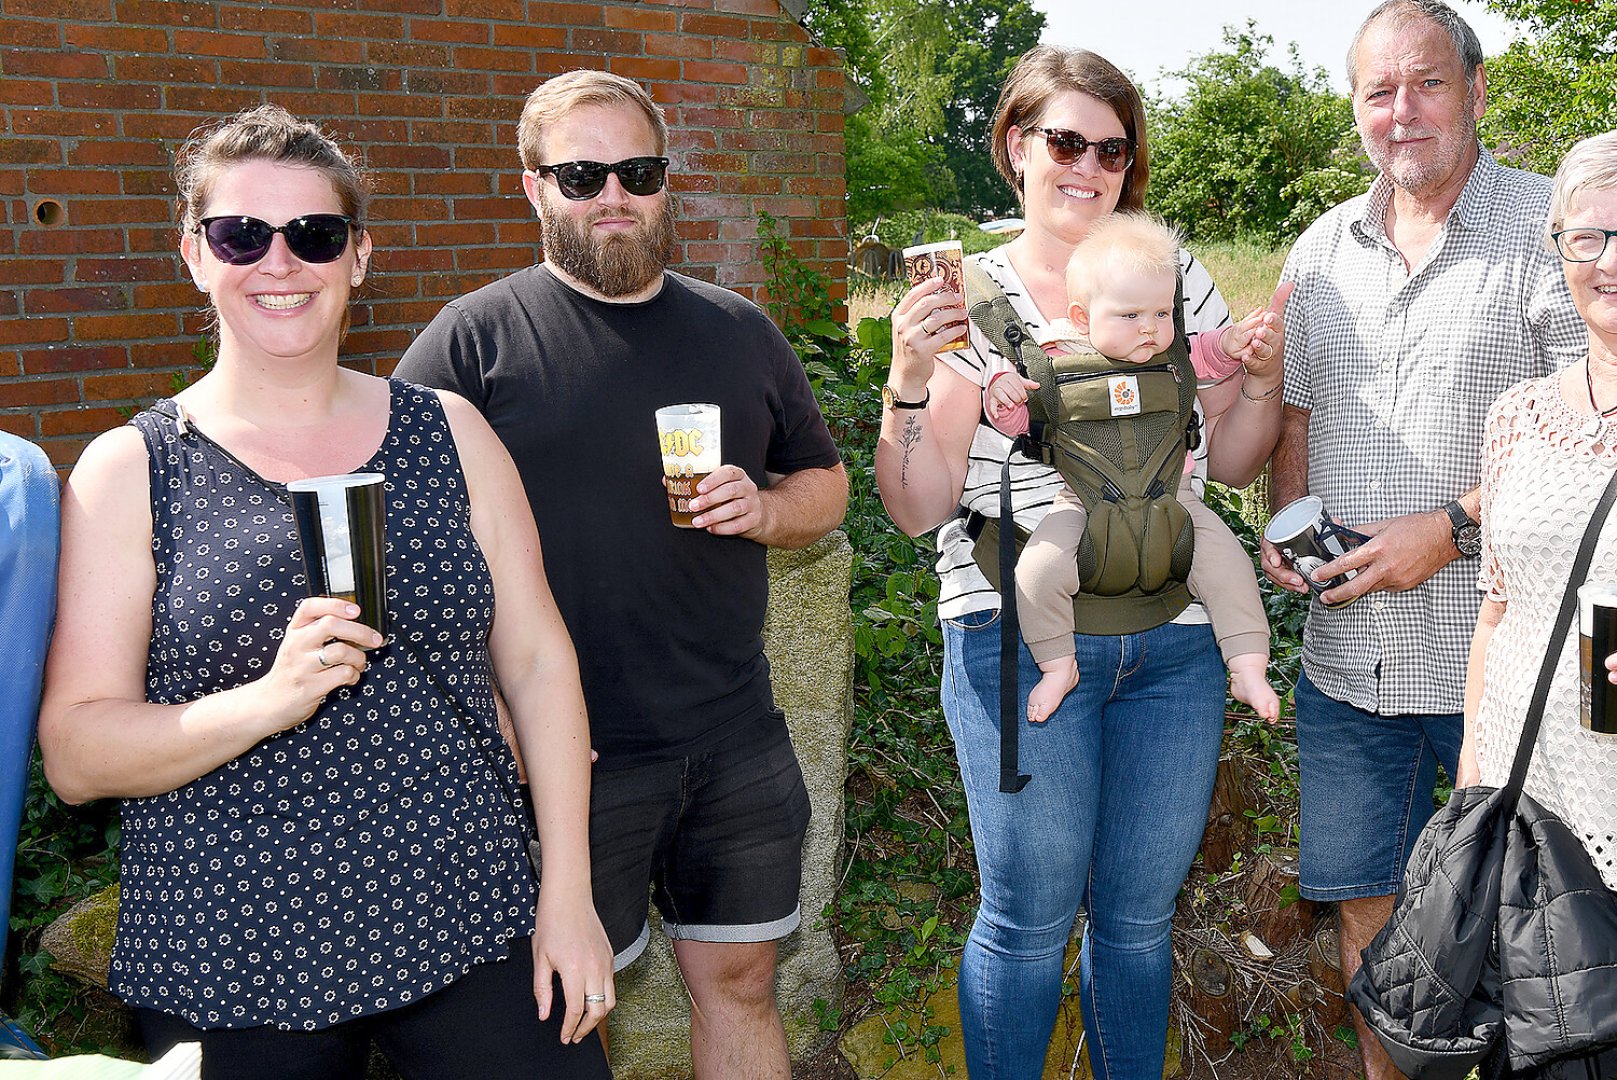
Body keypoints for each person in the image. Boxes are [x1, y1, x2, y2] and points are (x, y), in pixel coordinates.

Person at [36, 105, 613, 1080]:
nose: (280, 261)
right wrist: (269, 701)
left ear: (357, 257)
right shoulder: (131, 469)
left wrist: (567, 892)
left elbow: (538, 660)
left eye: (314, 234)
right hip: (230, 949)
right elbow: (77, 755)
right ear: (195, 254)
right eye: (240, 234)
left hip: (465, 909)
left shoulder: (450, 432)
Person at [394, 70, 848, 1080]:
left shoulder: (738, 331)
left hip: (734, 734)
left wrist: (770, 510)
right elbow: (397, 545)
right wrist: (482, 704)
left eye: (635, 171)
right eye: (582, 172)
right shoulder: (471, 342)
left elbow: (826, 480)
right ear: (533, 188)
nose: (613, 195)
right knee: (564, 1012)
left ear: (664, 183)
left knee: (740, 986)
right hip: (566, 759)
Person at [874, 45, 1289, 1079]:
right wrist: (908, 378)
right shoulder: (966, 295)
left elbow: (1230, 461)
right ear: (1017, 146)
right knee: (1026, 921)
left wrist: (1260, 387)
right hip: (1017, 629)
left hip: (1176, 641)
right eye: (1066, 141)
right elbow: (916, 506)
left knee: (1139, 923)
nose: (1089, 167)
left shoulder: (1171, 273)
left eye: (1113, 148)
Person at [1260, 3, 1586, 1076]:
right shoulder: (1321, 245)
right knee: (1370, 924)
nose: (1402, 113)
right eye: (1378, 91)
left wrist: (1445, 530)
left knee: (1535, 942)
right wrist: (1288, 529)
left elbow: (1592, 431)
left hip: (1508, 664)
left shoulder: (1553, 231)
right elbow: (1297, 415)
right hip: (1353, 668)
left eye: (1427, 84)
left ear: (1477, 91)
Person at [983, 211, 1280, 724]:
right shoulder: (1054, 358)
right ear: (1082, 318)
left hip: (1175, 496)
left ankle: (1248, 664)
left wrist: (1232, 345)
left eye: (1162, 314)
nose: (1150, 329)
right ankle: (1058, 665)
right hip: (1082, 500)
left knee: (1229, 566)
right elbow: (1017, 419)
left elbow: (1206, 356)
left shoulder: (1170, 354)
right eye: (1129, 316)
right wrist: (1002, 395)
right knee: (1033, 573)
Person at [1463, 129, 1617, 913]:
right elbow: (1496, 610)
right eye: (1587, 236)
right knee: (1532, 1033)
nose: (1608, 262)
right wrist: (1469, 780)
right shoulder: (1516, 415)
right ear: (1560, 250)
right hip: (1522, 803)